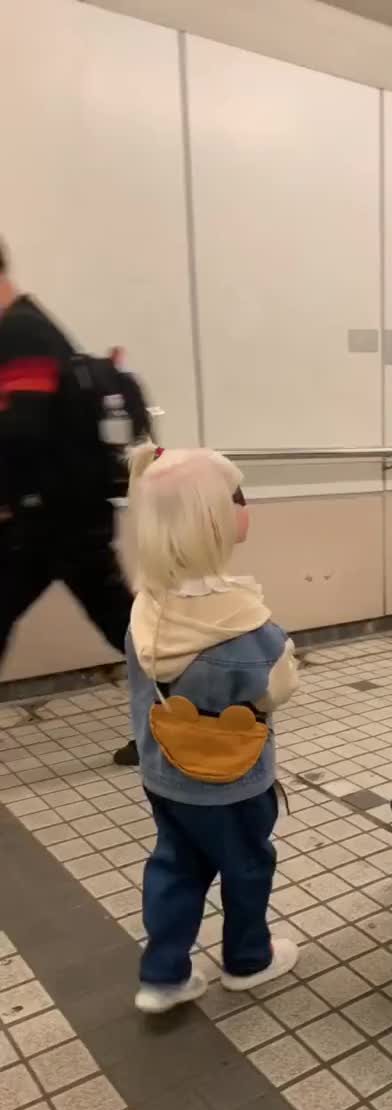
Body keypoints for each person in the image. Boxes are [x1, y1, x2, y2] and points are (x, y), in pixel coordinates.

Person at [126, 442, 299, 1013]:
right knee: (247, 865)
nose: (244, 506)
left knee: (176, 864)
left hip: (164, 777)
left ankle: (164, 975)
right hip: (236, 786)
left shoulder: (146, 608)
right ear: (213, 521)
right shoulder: (244, 626)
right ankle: (248, 959)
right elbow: (278, 689)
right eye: (237, 497)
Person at [0, 241, 138, 767]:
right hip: (60, 518)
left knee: (128, 627)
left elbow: (21, 429)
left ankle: (196, 711)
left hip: (52, 521)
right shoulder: (28, 327)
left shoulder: (22, 331)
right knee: (126, 626)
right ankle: (192, 711)